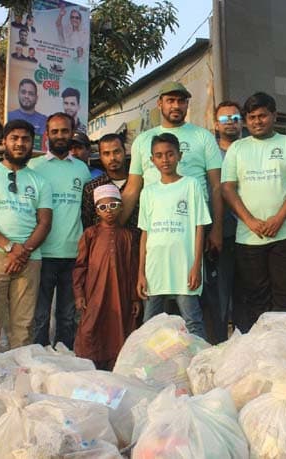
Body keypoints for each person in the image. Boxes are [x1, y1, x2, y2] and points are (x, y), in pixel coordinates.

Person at [121, 81, 224, 308]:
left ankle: (206, 344)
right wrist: (115, 226)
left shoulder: (203, 137)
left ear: (187, 104)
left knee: (199, 299)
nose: (175, 106)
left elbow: (216, 186)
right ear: (160, 104)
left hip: (195, 226)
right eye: (170, 100)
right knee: (158, 301)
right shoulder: (143, 141)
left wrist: (216, 229)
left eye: (181, 101)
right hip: (156, 229)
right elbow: (131, 188)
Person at [0, 119, 53, 367]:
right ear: (4, 141)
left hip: (30, 259)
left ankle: (19, 390)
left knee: (23, 329)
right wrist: (9, 247)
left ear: (31, 144)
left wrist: (22, 252)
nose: (20, 143)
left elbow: (44, 223)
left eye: (25, 139)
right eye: (14, 138)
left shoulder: (40, 182)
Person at [222, 92, 286, 333]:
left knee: (284, 296)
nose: (257, 121)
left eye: (262, 116)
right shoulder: (237, 148)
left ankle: (284, 348)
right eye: (251, 117)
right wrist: (249, 221)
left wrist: (279, 218)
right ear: (246, 121)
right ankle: (262, 351)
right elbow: (227, 188)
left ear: (274, 116)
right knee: (256, 298)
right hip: (250, 237)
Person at [26, 113, 92, 349]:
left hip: (73, 254)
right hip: (41, 254)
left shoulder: (82, 170)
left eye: (64, 131)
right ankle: (39, 363)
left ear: (71, 132)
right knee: (40, 316)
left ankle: (64, 365)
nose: (60, 136)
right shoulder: (34, 167)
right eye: (55, 132)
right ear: (47, 135)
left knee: (67, 316)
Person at [137, 133, 211, 338]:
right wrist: (141, 273)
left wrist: (196, 265)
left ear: (179, 155)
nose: (165, 159)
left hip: (184, 267)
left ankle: (200, 364)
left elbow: (199, 228)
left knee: (192, 321)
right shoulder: (148, 192)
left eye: (170, 154)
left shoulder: (191, 185)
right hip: (155, 269)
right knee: (149, 326)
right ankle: (147, 367)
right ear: (152, 160)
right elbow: (144, 234)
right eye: (159, 155)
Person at [73, 185, 139, 370]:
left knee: (119, 329)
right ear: (96, 211)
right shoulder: (90, 235)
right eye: (103, 207)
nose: (108, 211)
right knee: (90, 329)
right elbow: (80, 266)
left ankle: (116, 368)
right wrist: (79, 293)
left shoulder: (127, 236)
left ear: (121, 207)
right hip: (94, 293)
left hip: (121, 293)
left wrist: (135, 298)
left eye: (113, 205)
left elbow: (133, 267)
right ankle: (89, 368)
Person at [203, 101, 242, 342]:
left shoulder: (250, 148)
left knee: (246, 297)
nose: (231, 122)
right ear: (216, 124)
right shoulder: (210, 154)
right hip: (220, 235)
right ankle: (218, 347)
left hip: (252, 234)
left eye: (235, 117)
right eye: (225, 119)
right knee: (218, 297)